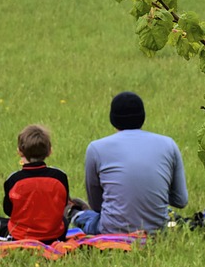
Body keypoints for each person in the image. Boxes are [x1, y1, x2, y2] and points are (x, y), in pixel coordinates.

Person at [72, 91, 189, 234]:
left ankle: (74, 214)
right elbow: (181, 200)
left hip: (111, 230)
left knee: (88, 218)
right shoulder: (168, 144)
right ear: (143, 117)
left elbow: (96, 205)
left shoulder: (96, 148)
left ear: (113, 119)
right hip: (157, 231)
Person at [0, 124, 70, 244]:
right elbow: (63, 204)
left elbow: (8, 210)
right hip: (53, 234)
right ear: (49, 151)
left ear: (20, 151)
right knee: (64, 220)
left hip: (20, 235)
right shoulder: (60, 177)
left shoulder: (14, 180)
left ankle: (14, 237)